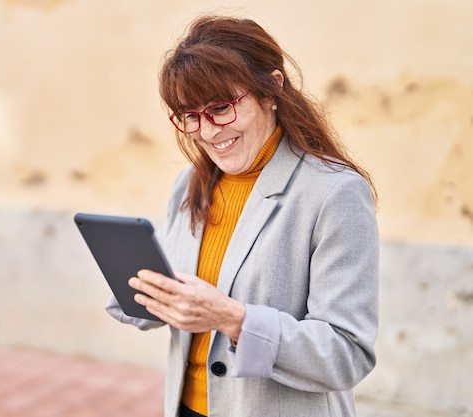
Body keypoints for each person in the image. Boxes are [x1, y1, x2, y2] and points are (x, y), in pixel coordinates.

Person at [106, 14, 379, 417]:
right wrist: (141, 288)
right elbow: (164, 296)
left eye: (221, 107)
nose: (208, 131)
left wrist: (235, 320)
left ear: (272, 89)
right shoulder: (190, 184)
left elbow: (346, 354)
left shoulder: (335, 192)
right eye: (190, 115)